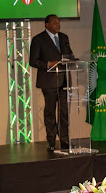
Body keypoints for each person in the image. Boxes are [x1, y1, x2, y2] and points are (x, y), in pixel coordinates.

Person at [29, 14, 75, 151]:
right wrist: (49, 63)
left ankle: (64, 140)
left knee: (64, 112)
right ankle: (51, 141)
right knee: (50, 112)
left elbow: (69, 55)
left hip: (64, 80)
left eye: (58, 22)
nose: (58, 25)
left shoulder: (64, 37)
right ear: (47, 25)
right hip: (49, 81)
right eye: (54, 23)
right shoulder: (38, 39)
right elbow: (33, 61)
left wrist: (71, 59)